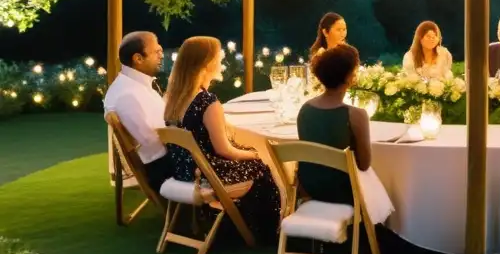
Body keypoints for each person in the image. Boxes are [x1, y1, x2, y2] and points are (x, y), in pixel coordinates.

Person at [164, 36, 281, 237]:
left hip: (184, 172)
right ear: (208, 63)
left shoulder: (174, 97)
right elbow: (223, 150)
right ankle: (258, 232)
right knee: (264, 167)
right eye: (219, 56)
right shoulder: (207, 102)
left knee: (250, 157)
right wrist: (256, 154)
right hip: (208, 176)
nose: (222, 61)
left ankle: (232, 224)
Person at [298, 44, 393, 224]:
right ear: (349, 77)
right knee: (371, 178)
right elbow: (364, 165)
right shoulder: (356, 115)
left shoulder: (305, 110)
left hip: (310, 186)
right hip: (342, 191)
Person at [103, 31, 174, 191]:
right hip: (164, 169)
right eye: (156, 52)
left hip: (163, 161)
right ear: (138, 58)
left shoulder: (133, 86)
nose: (161, 55)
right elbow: (153, 144)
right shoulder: (128, 95)